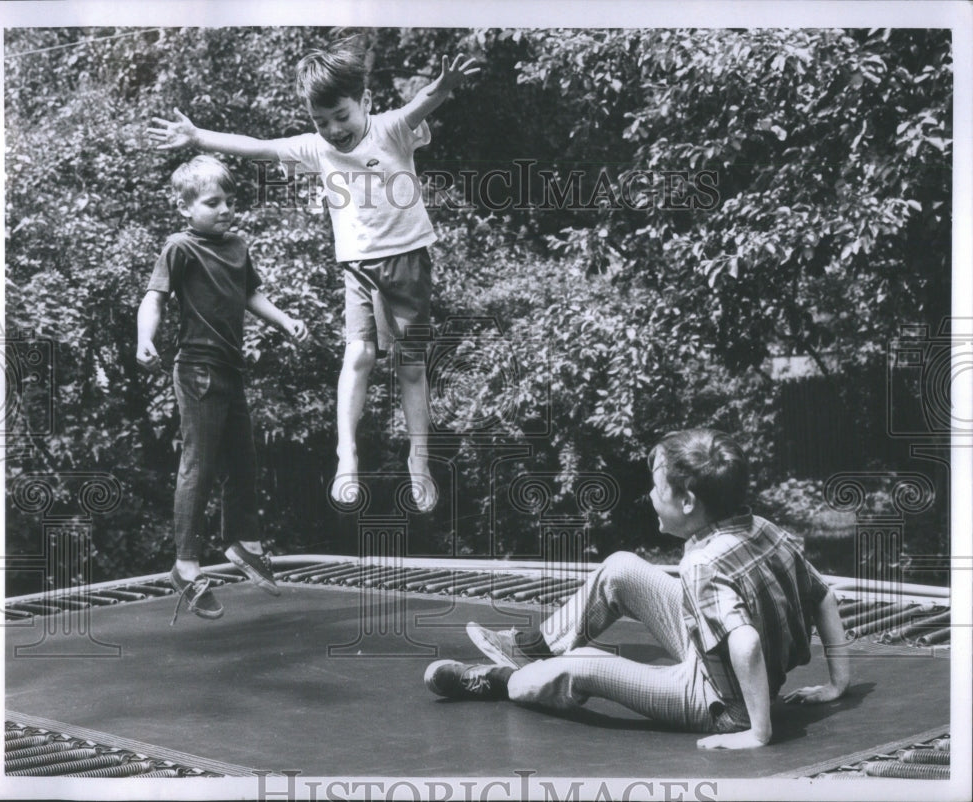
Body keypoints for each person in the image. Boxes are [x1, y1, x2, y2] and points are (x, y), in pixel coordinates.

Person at [146, 39, 479, 513]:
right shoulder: (316, 147)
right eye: (321, 122)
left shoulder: (389, 132)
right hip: (357, 266)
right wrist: (200, 137)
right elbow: (260, 149)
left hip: (407, 260)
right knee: (359, 354)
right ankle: (347, 456)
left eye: (341, 116)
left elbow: (416, 105)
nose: (333, 130)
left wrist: (443, 88)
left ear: (364, 101)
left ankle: (419, 461)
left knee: (409, 366)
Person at [425, 429, 851, 750]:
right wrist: (837, 684)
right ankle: (535, 647)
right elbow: (824, 596)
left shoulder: (702, 564)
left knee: (582, 665)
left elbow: (746, 643)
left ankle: (505, 680)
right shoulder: (763, 528)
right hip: (716, 658)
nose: (648, 495)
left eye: (656, 486)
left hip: (718, 701)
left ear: (687, 502)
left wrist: (758, 731)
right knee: (621, 568)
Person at [137, 155, 308, 624]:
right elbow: (155, 297)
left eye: (229, 200)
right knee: (200, 464)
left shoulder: (236, 246)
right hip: (196, 368)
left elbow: (250, 295)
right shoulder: (180, 246)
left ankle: (245, 544)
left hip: (231, 368)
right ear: (186, 207)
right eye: (213, 202)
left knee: (245, 461)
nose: (225, 209)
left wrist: (285, 319)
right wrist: (143, 338)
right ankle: (186, 568)